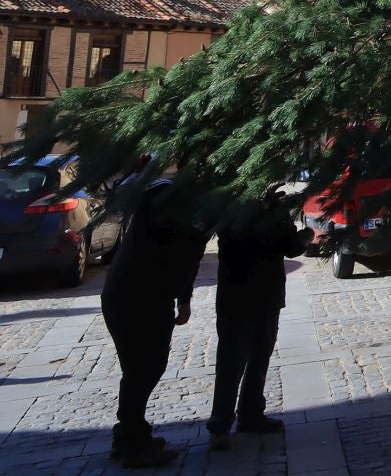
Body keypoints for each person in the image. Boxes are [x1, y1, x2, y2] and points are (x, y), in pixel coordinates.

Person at [101, 172, 209, 468]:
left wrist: (184, 297)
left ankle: (128, 435)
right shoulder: (166, 196)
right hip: (134, 295)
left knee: (145, 368)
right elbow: (171, 237)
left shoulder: (204, 209)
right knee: (142, 369)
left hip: (149, 295)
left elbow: (194, 254)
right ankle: (134, 445)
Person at [208, 193, 313, 449]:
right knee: (255, 357)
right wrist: (307, 235)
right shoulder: (273, 209)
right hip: (264, 294)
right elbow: (292, 247)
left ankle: (228, 423)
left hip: (235, 296)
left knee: (232, 362)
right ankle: (245, 416)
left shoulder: (226, 205)